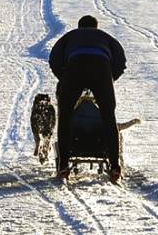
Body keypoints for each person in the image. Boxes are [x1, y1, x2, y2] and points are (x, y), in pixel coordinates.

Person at [47, 14, 127, 181]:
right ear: (96, 27)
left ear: (79, 26)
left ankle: (63, 166)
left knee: (66, 115)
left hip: (74, 67)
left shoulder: (70, 36)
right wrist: (110, 79)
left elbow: (54, 59)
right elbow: (120, 61)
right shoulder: (106, 37)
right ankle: (114, 166)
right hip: (101, 68)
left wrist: (64, 78)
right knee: (108, 116)